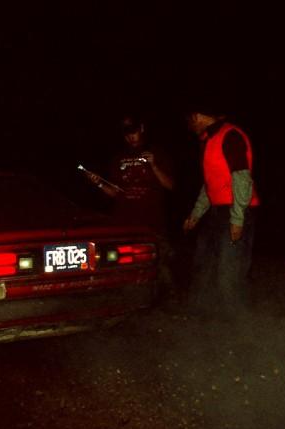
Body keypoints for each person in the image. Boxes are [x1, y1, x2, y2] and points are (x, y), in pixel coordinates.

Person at [81, 114, 177, 296]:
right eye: (126, 134)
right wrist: (98, 183)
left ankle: (169, 301)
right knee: (126, 266)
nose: (130, 137)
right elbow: (116, 193)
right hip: (125, 222)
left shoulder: (158, 153)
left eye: (133, 132)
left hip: (153, 221)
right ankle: (131, 300)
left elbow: (170, 186)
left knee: (162, 265)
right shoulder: (118, 158)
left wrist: (154, 166)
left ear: (141, 129)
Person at [182, 104, 260, 319]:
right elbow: (210, 185)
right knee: (203, 261)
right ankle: (201, 316)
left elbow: (242, 178)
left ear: (197, 116)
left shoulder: (231, 135)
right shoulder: (208, 140)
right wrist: (195, 215)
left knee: (230, 269)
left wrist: (237, 219)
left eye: (189, 122)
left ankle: (241, 324)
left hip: (237, 210)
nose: (189, 128)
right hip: (217, 212)